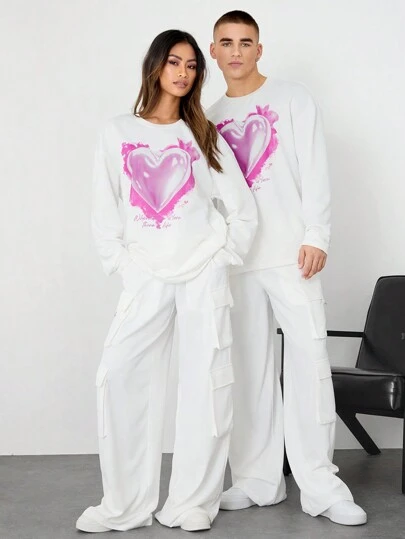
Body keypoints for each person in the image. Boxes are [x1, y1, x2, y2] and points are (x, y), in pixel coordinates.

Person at [75, 29, 257, 534]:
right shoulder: (117, 132)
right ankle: (126, 505)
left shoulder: (203, 134)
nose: (183, 73)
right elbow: (104, 212)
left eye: (192, 66)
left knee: (206, 384)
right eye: (174, 62)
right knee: (121, 377)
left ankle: (191, 502)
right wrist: (125, 267)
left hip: (202, 272)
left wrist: (221, 259)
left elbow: (242, 210)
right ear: (155, 65)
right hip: (146, 274)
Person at [207, 10, 367, 526]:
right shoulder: (207, 118)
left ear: (259, 49)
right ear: (213, 51)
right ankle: (256, 481)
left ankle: (321, 486)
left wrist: (316, 234)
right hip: (239, 262)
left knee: (309, 365)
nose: (236, 51)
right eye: (226, 42)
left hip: (293, 254)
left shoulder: (293, 98)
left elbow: (315, 168)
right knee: (249, 370)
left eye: (245, 42)